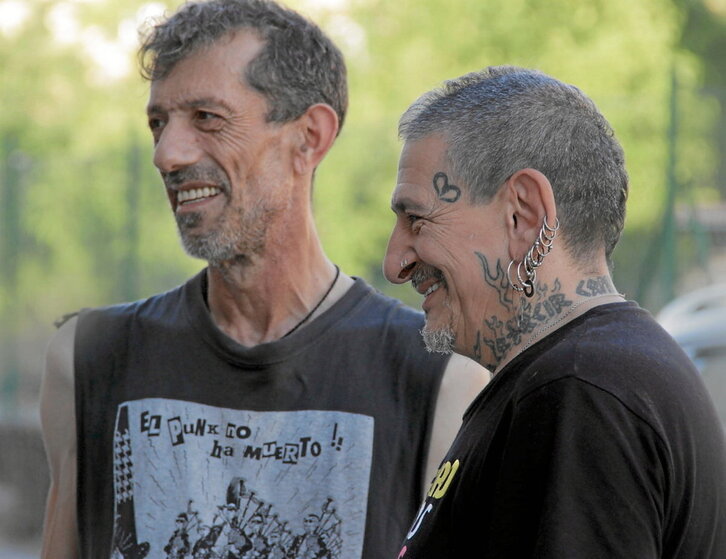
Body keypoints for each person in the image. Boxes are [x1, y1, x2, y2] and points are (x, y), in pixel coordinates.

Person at [38, 1, 489, 558]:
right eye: (158, 123)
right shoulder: (88, 359)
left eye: (207, 118)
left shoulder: (439, 379)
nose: (166, 154)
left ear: (309, 137)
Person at [383, 66, 726, 558]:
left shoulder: (577, 395)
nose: (395, 262)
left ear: (525, 216)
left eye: (417, 219)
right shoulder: (586, 378)